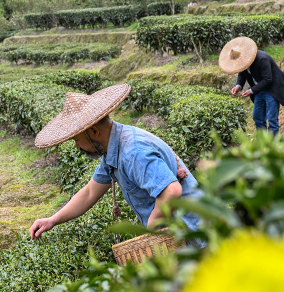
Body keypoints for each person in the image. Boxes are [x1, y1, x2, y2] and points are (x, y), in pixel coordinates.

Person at [28, 84, 205, 245]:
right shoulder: (112, 149)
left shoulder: (132, 153)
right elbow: (89, 193)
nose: (77, 146)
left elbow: (171, 191)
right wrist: (52, 219)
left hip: (195, 238)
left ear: (94, 131)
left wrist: (150, 231)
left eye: (77, 140)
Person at [219, 36, 284, 136]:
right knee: (258, 117)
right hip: (259, 89)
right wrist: (238, 86)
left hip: (272, 89)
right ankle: (263, 141)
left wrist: (251, 91)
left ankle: (273, 145)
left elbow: (268, 80)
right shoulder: (244, 62)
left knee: (272, 119)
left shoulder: (262, 59)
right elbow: (242, 73)